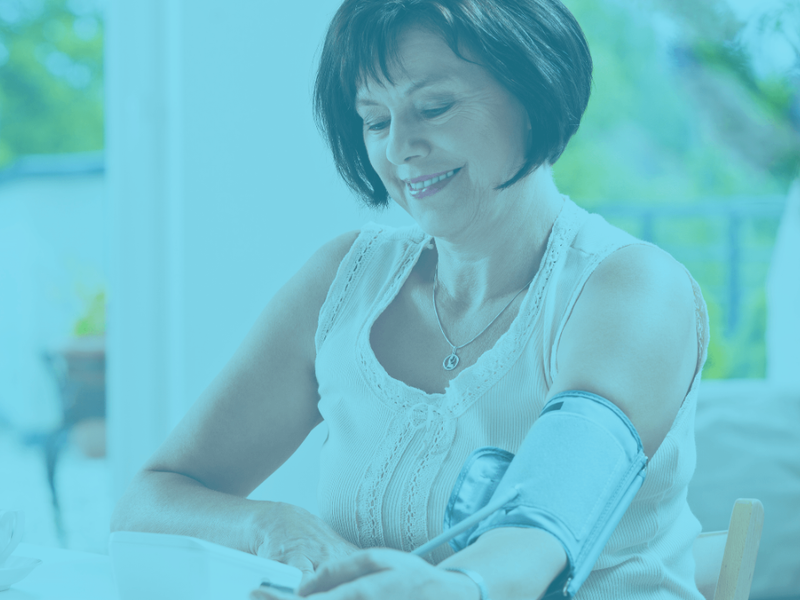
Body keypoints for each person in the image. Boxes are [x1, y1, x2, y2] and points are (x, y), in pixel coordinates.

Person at [111, 1, 709, 598]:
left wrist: (449, 587)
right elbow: (150, 501)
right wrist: (273, 525)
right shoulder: (346, 281)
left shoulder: (632, 288)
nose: (399, 147)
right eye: (374, 120)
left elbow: (539, 532)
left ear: (533, 91)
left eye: (434, 107)